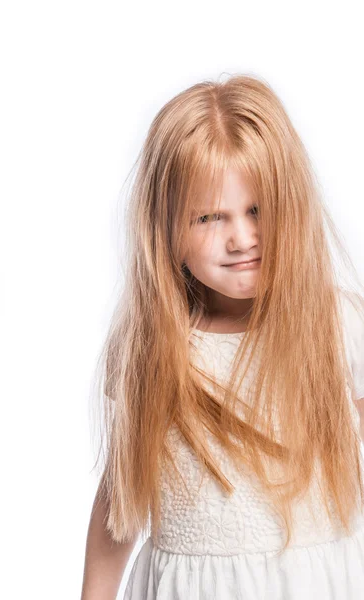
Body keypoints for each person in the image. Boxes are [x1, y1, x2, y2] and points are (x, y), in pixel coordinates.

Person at [80, 73, 364, 599]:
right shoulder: (150, 348)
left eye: (257, 210)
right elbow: (119, 501)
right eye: (209, 217)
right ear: (164, 228)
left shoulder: (334, 325)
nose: (241, 238)